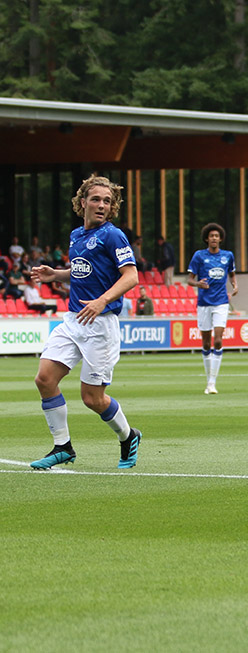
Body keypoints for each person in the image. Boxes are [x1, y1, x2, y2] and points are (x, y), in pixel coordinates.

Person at [28, 174, 142, 470]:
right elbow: (83, 270)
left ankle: (128, 436)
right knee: (45, 379)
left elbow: (131, 276)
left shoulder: (113, 235)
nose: (102, 205)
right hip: (73, 319)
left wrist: (103, 300)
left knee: (93, 398)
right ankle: (63, 447)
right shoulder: (77, 235)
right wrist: (57, 274)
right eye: (96, 199)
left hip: (100, 325)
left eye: (107, 201)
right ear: (83, 203)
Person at [187, 223, 239, 395]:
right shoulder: (199, 256)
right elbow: (189, 280)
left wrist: (235, 285)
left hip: (221, 302)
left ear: (221, 238)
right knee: (206, 343)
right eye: (211, 236)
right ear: (207, 239)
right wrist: (198, 284)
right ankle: (208, 377)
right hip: (203, 303)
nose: (214, 238)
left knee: (218, 340)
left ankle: (212, 382)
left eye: (217, 236)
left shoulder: (228, 256)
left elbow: (231, 273)